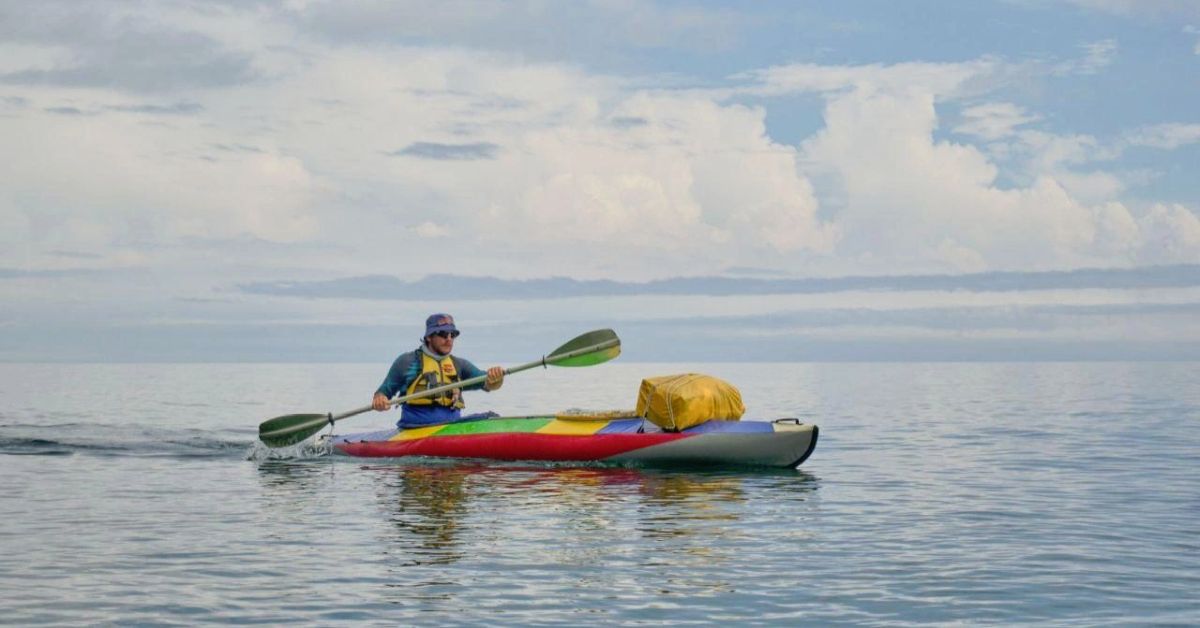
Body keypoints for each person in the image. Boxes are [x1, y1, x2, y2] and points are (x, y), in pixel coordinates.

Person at [372, 313, 505, 428]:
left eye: (452, 335)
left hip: (451, 427)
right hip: (416, 429)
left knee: (491, 417)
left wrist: (496, 378)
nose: (448, 339)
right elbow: (382, 393)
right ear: (429, 337)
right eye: (443, 334)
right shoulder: (407, 362)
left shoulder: (459, 364)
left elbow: (490, 384)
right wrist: (380, 400)